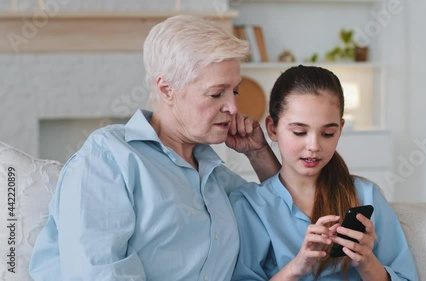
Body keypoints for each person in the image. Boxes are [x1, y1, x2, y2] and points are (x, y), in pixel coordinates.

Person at [29, 15, 280, 281]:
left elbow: (283, 223)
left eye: (235, 92)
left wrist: (258, 153)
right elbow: (98, 274)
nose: (233, 107)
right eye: (217, 93)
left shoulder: (215, 176)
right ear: (167, 89)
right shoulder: (109, 159)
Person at [229, 65, 418, 281]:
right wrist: (298, 266)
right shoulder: (250, 206)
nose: (314, 145)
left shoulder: (366, 195)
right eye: (299, 132)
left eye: (328, 133)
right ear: (272, 128)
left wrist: (367, 262)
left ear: (340, 128)